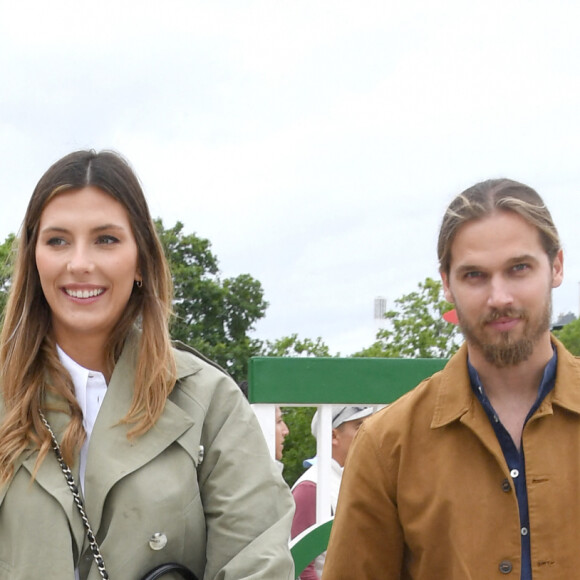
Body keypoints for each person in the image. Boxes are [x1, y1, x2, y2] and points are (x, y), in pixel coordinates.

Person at [0, 150, 295, 580]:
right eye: (58, 240)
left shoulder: (209, 402)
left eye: (106, 239)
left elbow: (256, 561)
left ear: (140, 258)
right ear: (34, 258)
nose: (80, 263)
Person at [323, 179, 578, 579]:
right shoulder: (387, 446)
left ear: (557, 266)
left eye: (519, 268)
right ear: (446, 283)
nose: (499, 296)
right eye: (475, 275)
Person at [292, 406, 373, 579]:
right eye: (359, 426)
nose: (369, 433)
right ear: (333, 436)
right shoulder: (311, 487)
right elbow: (302, 567)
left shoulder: (350, 479)